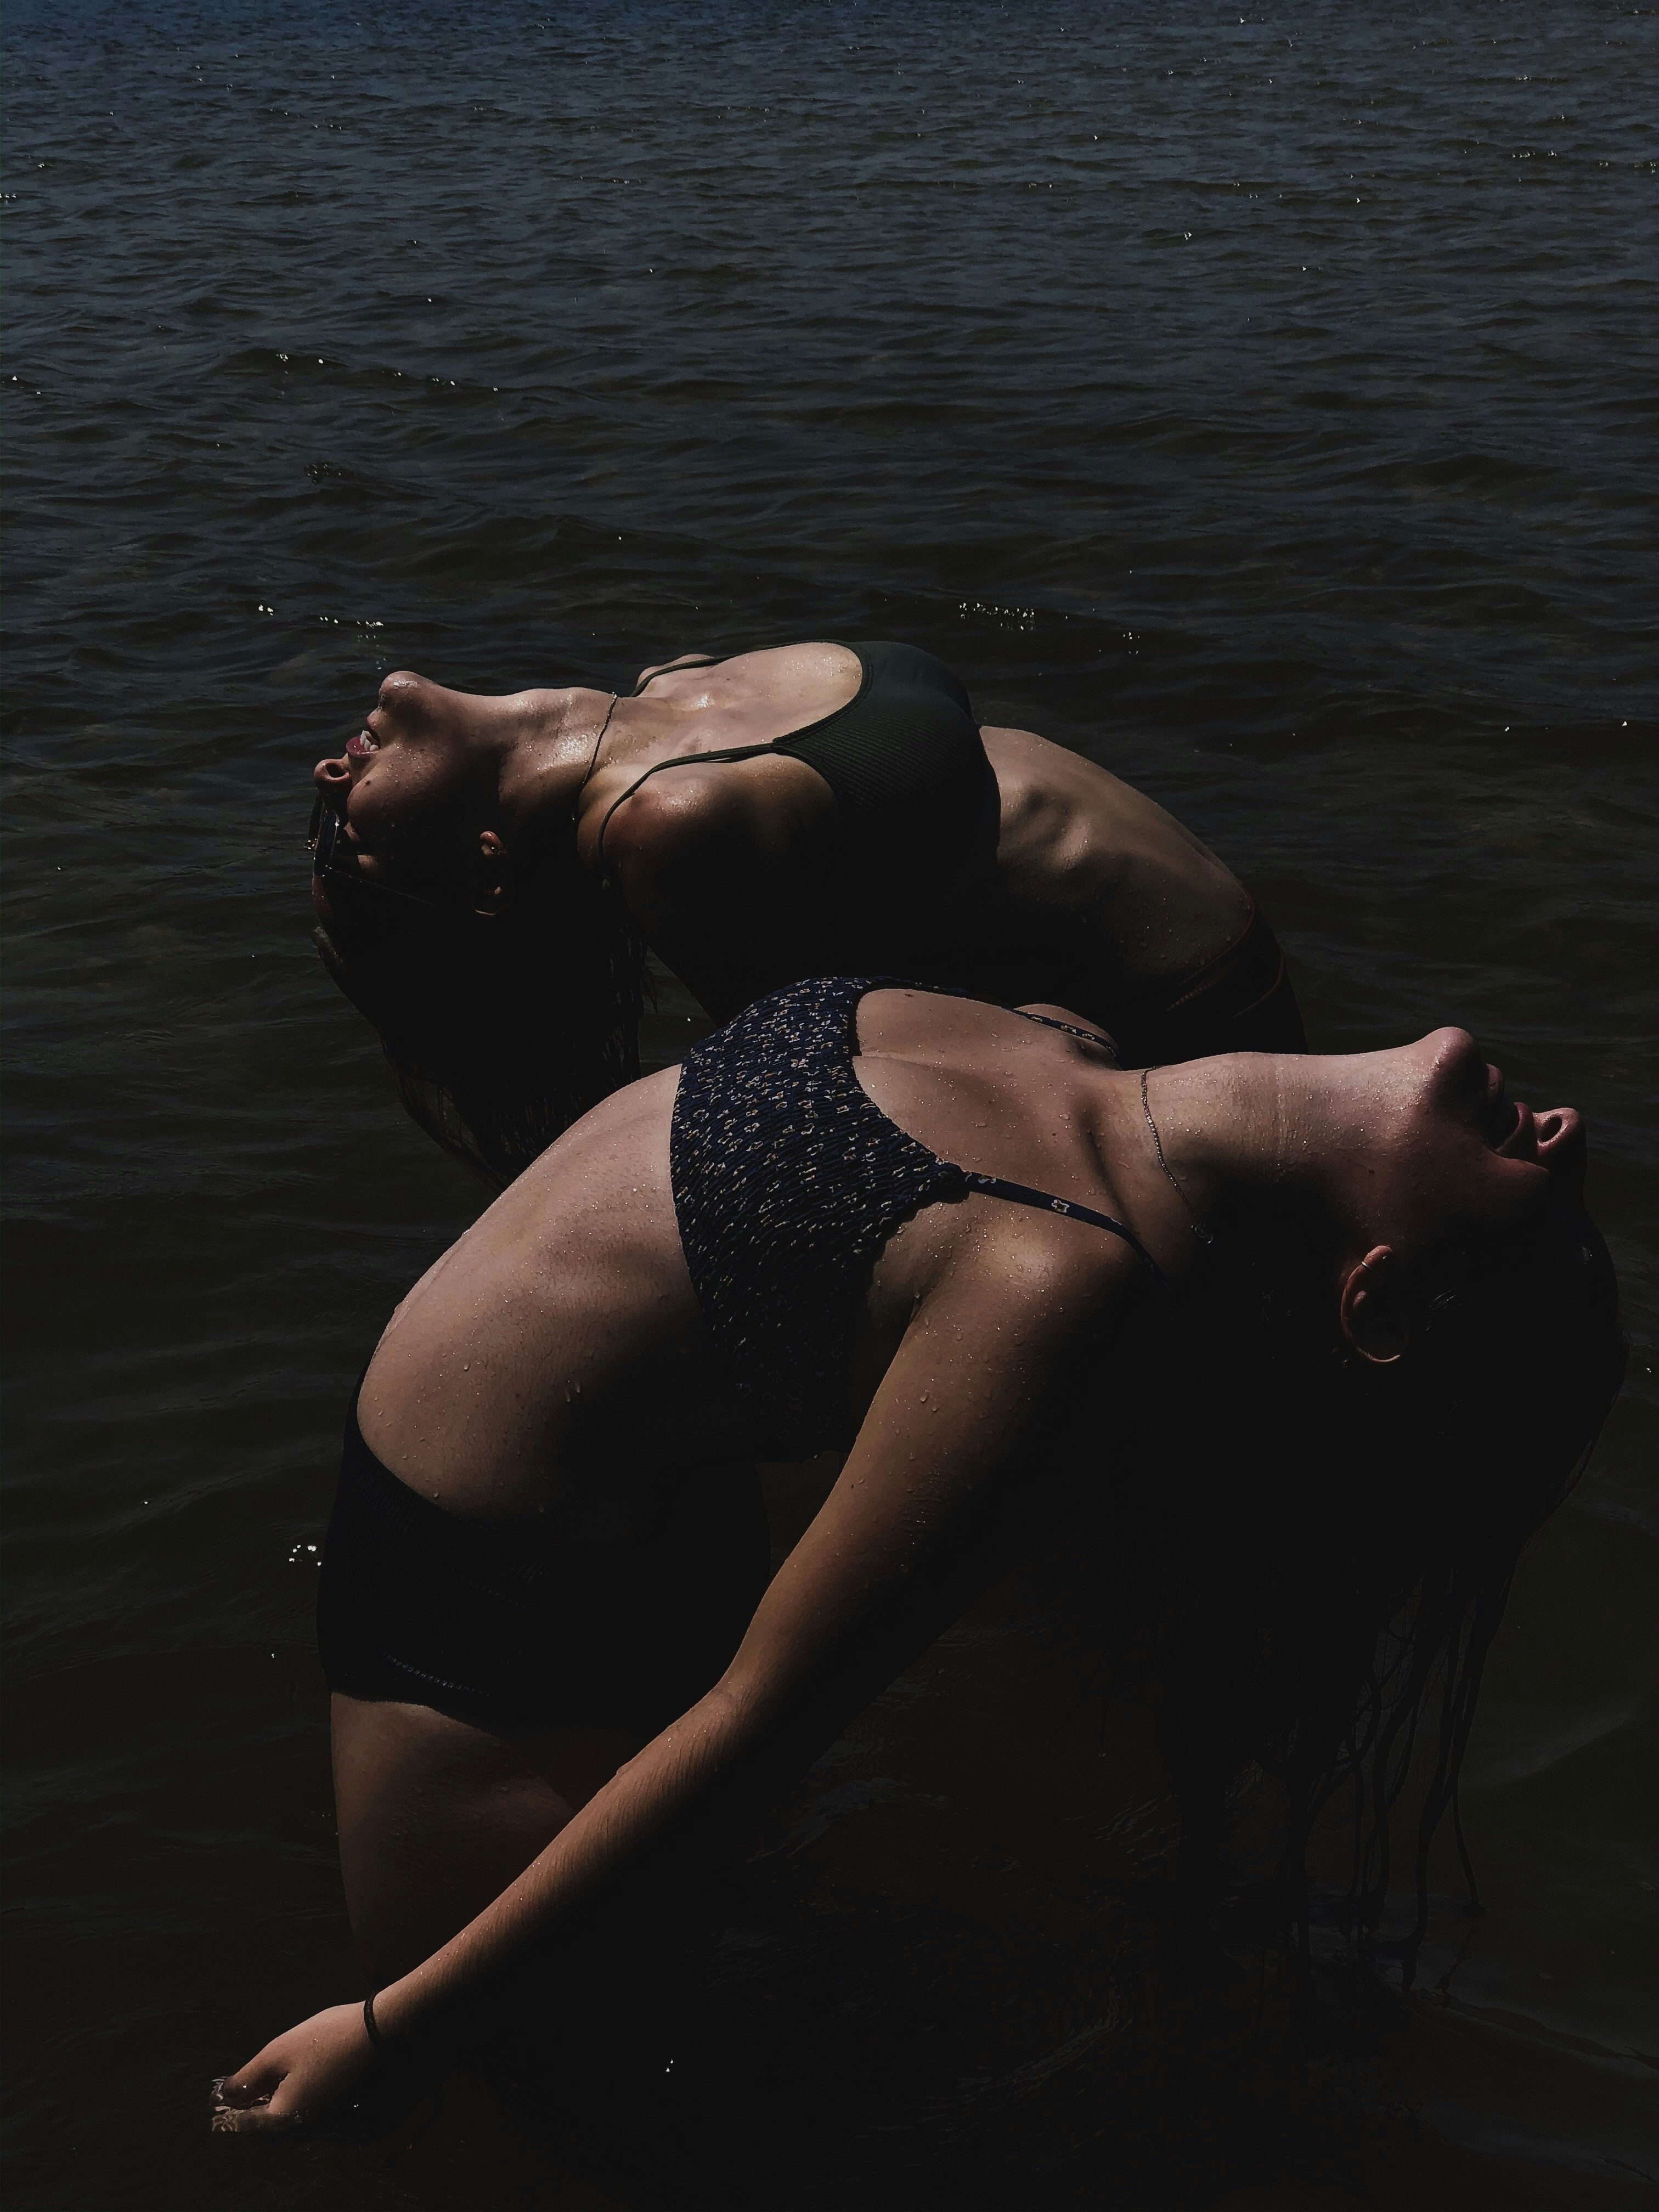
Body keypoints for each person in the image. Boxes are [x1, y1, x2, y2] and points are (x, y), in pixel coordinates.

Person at [212, 978, 1621, 2135]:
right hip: (594, 1514)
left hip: (489, 1582)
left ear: (1376, 1293)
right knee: (576, 2074)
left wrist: (386, 2027)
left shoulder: (1054, 1239)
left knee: (529, 2120)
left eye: (1537, 1203)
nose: (1563, 1124)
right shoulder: (1067, 1041)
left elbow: (757, 1723)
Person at [307, 640, 1306, 1180]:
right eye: (346, 838)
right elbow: (830, 1072)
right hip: (1190, 1022)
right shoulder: (663, 827)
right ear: (487, 874)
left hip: (1197, 988)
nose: (325, 774)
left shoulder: (665, 688)